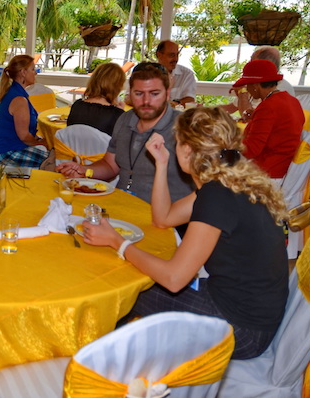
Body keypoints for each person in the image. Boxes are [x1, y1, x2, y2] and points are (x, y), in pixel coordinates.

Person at [81, 107, 288, 360]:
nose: (175, 147)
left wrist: (117, 242)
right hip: (248, 312)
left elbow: (174, 278)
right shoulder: (228, 180)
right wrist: (162, 163)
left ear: (188, 150)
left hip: (240, 330)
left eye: (177, 143)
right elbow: (163, 219)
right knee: (134, 280)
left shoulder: (218, 195)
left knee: (122, 293)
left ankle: (104, 368)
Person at [57, 62, 194, 203]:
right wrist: (84, 170)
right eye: (139, 93)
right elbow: (110, 165)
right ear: (129, 95)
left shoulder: (185, 128)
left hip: (165, 216)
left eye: (154, 94)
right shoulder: (125, 119)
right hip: (120, 205)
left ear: (167, 94)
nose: (146, 101)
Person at [232, 59, 304, 179]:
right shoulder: (292, 100)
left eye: (247, 85)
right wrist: (255, 118)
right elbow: (279, 128)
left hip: (266, 172)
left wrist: (226, 140)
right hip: (284, 166)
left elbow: (251, 150)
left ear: (255, 85)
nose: (247, 90)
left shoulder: (267, 107)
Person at [0, 54, 48, 167]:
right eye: (32, 69)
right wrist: (41, 143)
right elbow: (24, 136)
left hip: (11, 147)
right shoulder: (19, 99)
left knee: (53, 155)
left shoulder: (15, 93)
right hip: (7, 152)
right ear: (23, 72)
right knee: (53, 163)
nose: (35, 73)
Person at [228, 46, 295, 119]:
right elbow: (235, 109)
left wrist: (242, 93)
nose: (249, 63)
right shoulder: (270, 91)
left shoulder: (279, 91)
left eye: (251, 60)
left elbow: (248, 118)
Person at [66, 62, 126, 135]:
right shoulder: (116, 115)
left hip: (71, 146)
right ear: (117, 86)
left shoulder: (77, 105)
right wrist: (120, 113)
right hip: (103, 147)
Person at [156, 40, 196, 107]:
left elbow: (190, 99)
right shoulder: (148, 73)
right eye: (171, 55)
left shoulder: (187, 74)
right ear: (159, 55)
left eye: (177, 55)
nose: (175, 59)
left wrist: (174, 103)